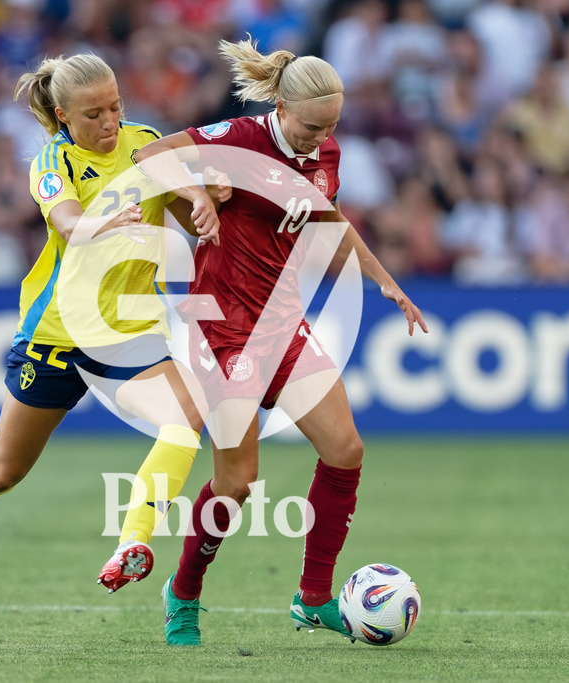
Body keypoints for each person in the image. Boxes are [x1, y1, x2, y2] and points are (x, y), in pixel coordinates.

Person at [133, 38, 427, 646]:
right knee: (236, 484)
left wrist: (386, 283)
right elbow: (150, 156)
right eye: (313, 125)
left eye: (332, 126)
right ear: (283, 110)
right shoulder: (238, 138)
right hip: (223, 329)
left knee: (345, 449)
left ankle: (312, 597)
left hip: (282, 321)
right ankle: (183, 593)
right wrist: (193, 196)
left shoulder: (327, 153)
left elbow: (327, 221)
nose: (322, 137)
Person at [0, 53, 219, 599]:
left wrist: (202, 198)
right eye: (93, 115)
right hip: (56, 335)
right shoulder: (50, 162)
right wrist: (107, 219)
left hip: (128, 333)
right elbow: (66, 221)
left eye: (115, 107)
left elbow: (184, 204)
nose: (110, 123)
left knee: (185, 419)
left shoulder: (145, 141)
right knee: (2, 474)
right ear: (62, 116)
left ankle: (132, 543)